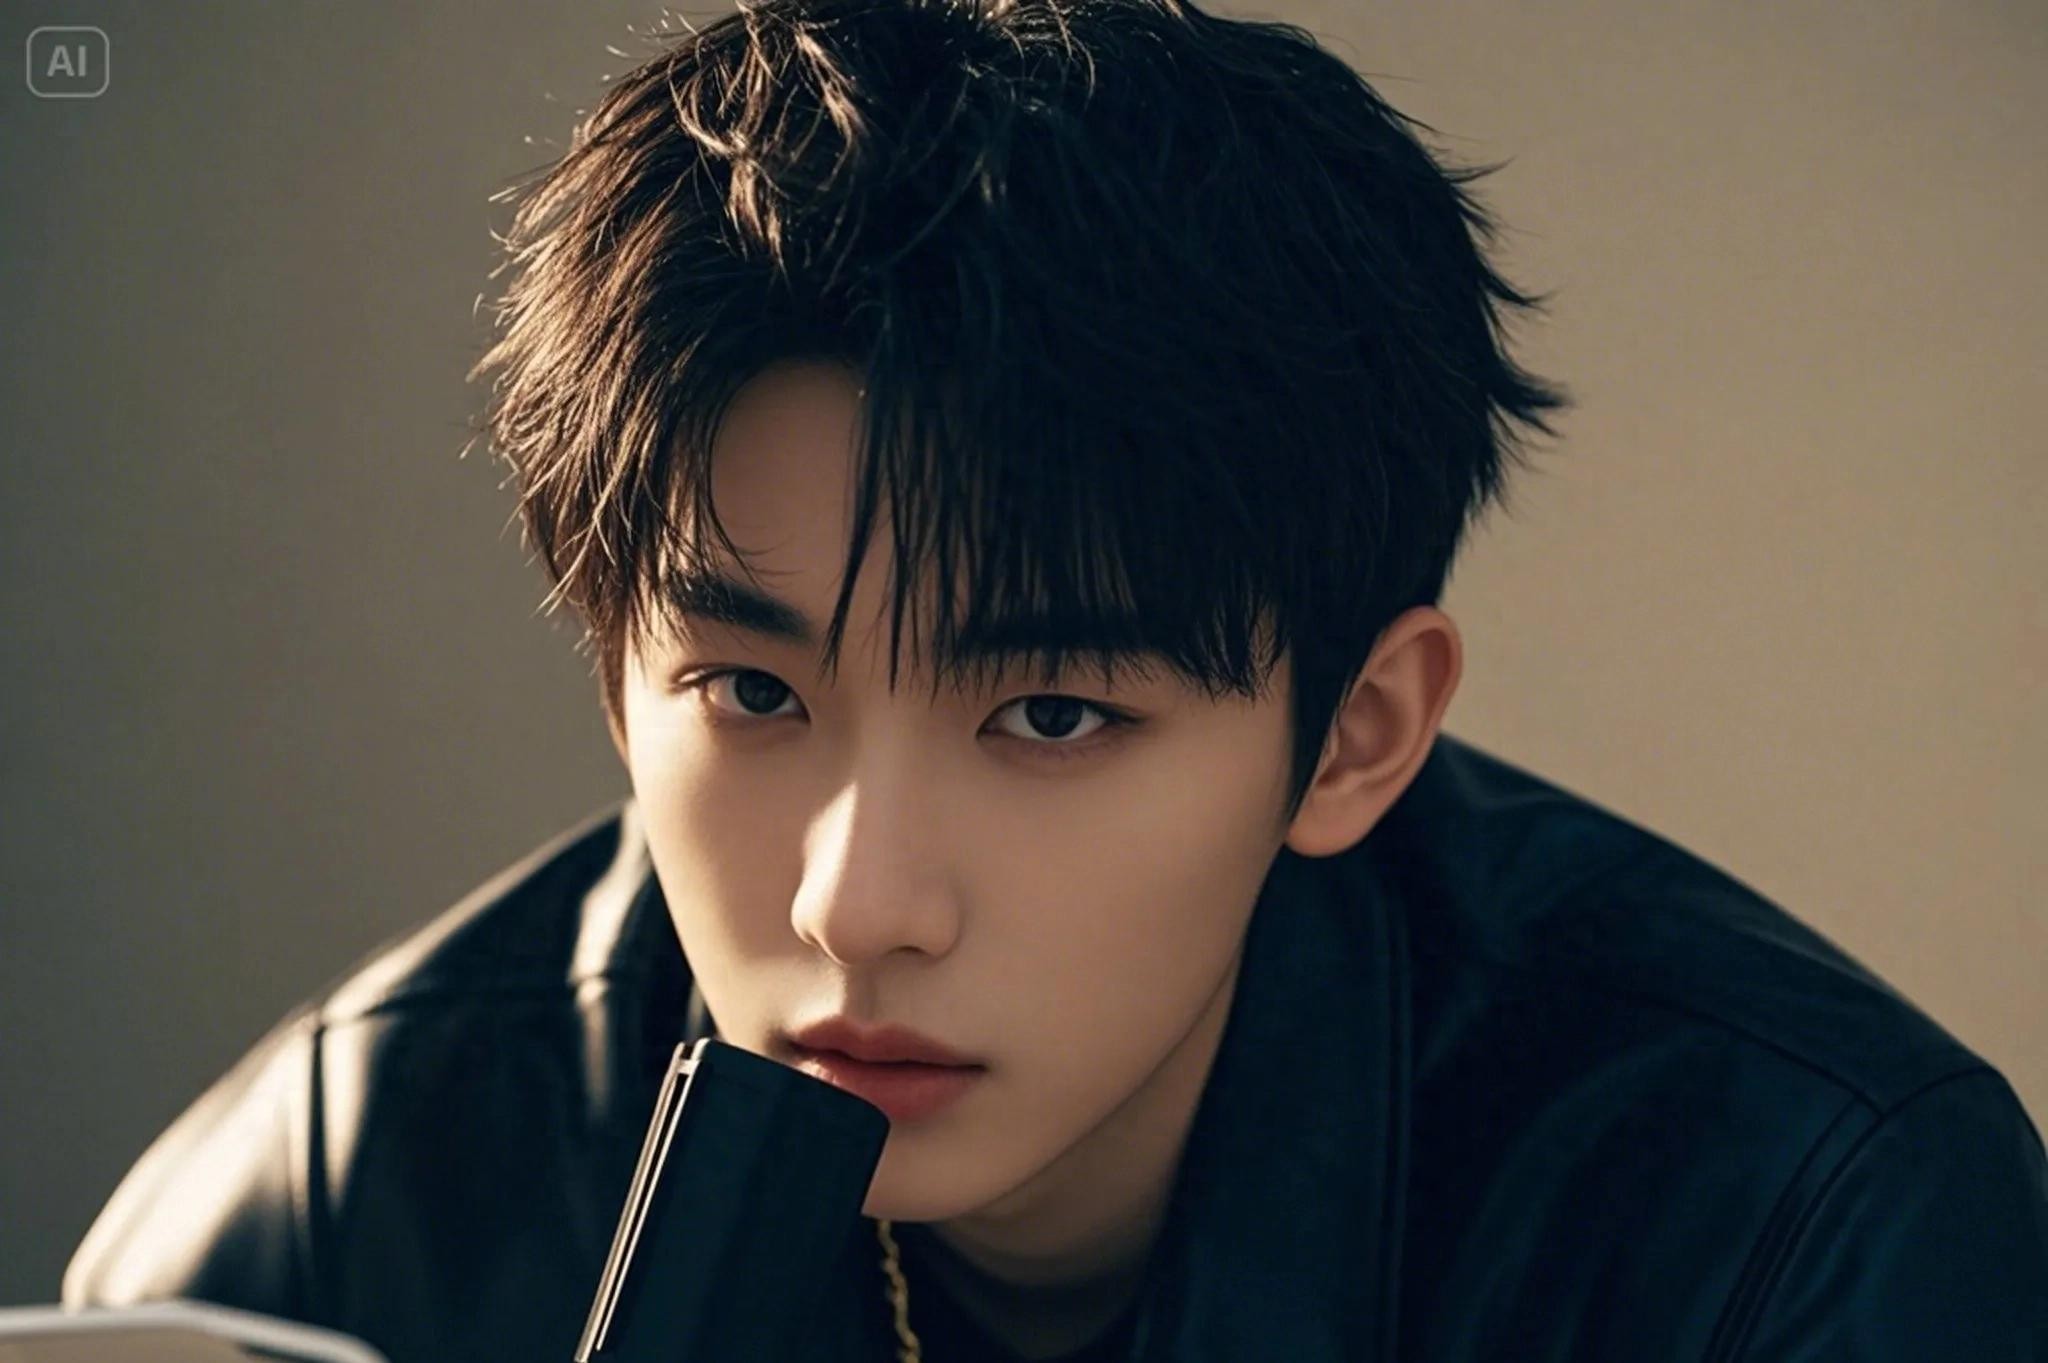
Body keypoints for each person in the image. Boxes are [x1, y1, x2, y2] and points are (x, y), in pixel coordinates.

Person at [62, 0, 2047, 1359]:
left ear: (1353, 737)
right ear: (615, 679)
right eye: (751, 694)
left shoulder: (1804, 1228)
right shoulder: (353, 1195)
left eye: (1051, 718)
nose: (856, 904)